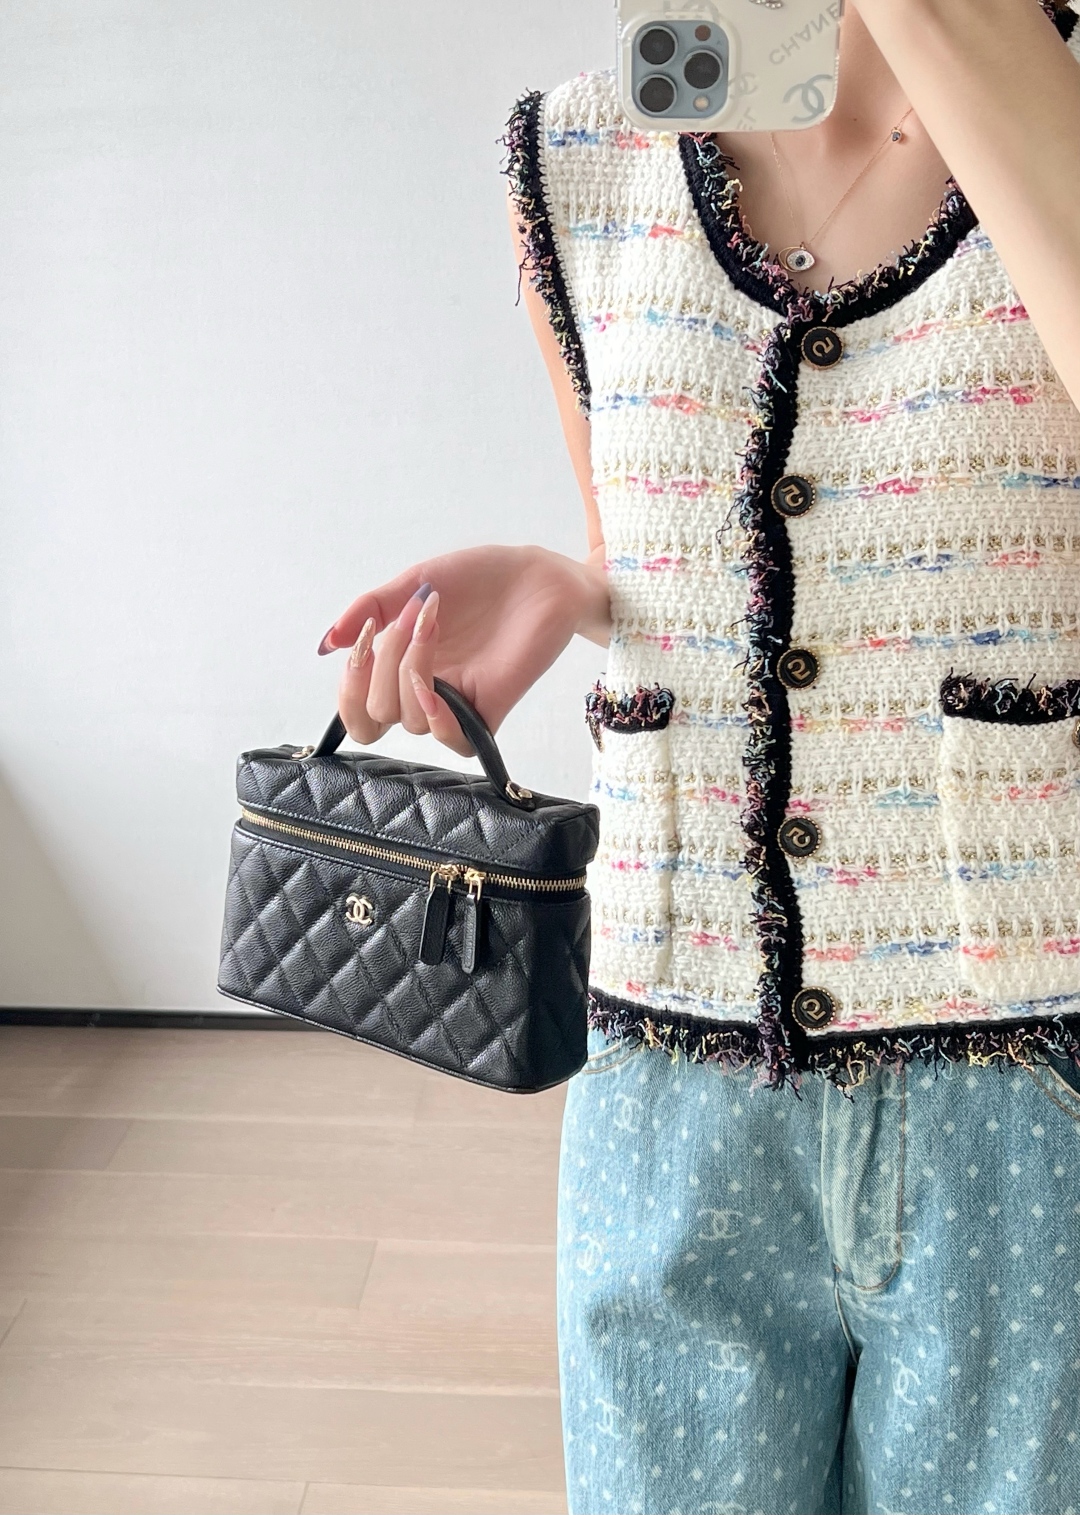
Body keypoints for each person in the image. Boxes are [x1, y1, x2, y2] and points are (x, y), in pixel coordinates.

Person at [318, 1, 1080, 1509]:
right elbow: (675, 538)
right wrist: (577, 586)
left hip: (1025, 1082)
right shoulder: (582, 154)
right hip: (673, 1078)